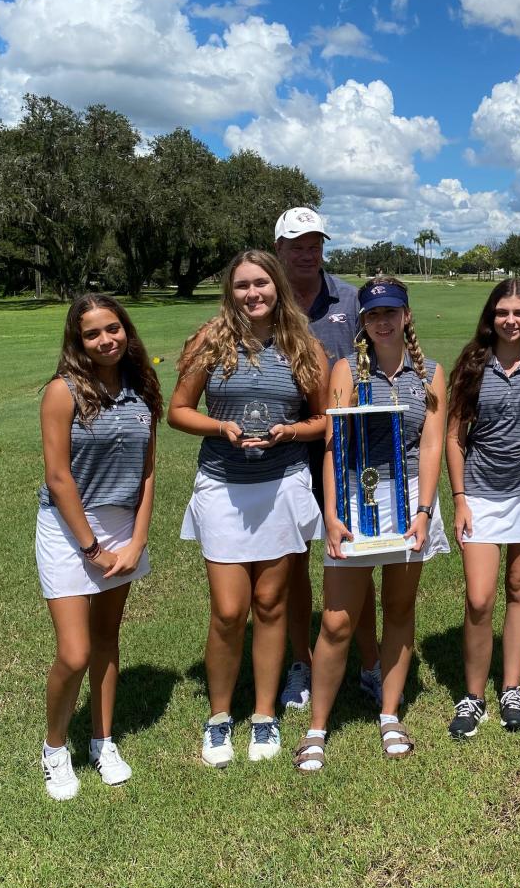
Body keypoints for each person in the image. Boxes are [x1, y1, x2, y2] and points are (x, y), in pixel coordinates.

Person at [169, 249, 328, 766]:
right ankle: (219, 718)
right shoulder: (210, 341)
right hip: (223, 486)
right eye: (242, 286)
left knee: (271, 605)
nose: (252, 294)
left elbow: (324, 419)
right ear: (229, 291)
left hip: (282, 484)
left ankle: (263, 716)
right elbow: (178, 411)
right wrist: (221, 427)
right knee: (229, 610)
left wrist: (291, 431)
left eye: (261, 284)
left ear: (277, 286)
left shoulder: (301, 344)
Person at [294, 278, 448, 771]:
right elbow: (334, 448)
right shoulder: (345, 370)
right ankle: (317, 728)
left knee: (399, 611)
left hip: (408, 504)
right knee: (338, 620)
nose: (383, 321)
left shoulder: (431, 375)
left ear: (407, 316)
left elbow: (431, 448)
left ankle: (389, 714)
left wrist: (424, 512)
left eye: (392, 312)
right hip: (356, 504)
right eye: (373, 314)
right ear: (362, 321)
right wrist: (333, 513)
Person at [37, 295, 162, 801]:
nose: (106, 340)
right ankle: (54, 749)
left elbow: (149, 470)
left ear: (126, 331)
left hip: (121, 528)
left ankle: (102, 740)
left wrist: (137, 540)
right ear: (77, 340)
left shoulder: (142, 389)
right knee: (75, 651)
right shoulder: (62, 392)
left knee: (107, 638)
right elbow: (58, 476)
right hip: (70, 530)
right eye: (93, 333)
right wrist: (93, 549)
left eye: (113, 329)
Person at [445, 280, 520, 740]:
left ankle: (511, 687)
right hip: (479, 493)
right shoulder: (472, 365)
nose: (511, 320)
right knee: (479, 597)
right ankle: (473, 694)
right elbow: (455, 437)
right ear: (491, 316)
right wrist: (458, 499)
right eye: (503, 312)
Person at [274, 208, 382, 712]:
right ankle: (301, 661)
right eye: (296, 244)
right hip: (286, 446)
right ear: (279, 249)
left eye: (314, 242)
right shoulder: (266, 300)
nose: (306, 252)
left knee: (356, 553)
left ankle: (370, 663)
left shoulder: (350, 297)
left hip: (347, 446)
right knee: (292, 562)